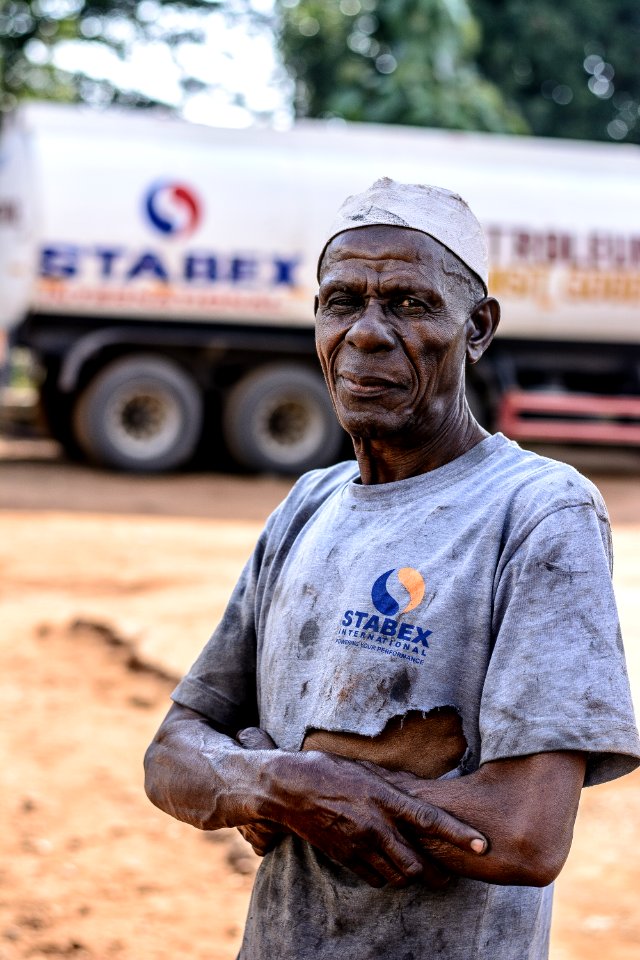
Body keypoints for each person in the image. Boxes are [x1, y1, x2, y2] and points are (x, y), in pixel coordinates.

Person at [144, 178, 640, 960]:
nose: (366, 334)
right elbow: (171, 752)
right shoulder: (308, 505)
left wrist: (283, 779)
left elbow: (523, 831)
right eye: (341, 302)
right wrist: (278, 782)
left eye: (409, 304)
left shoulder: (539, 512)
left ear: (477, 329)